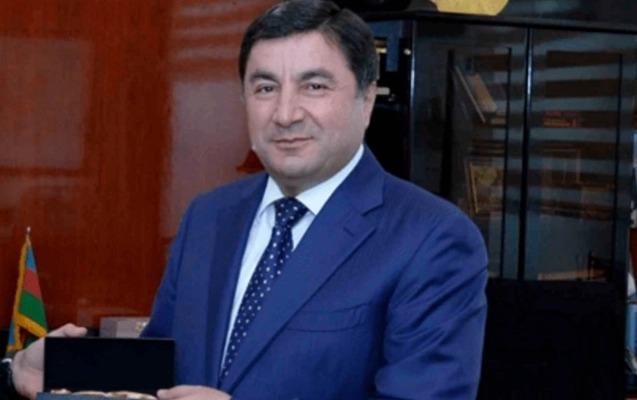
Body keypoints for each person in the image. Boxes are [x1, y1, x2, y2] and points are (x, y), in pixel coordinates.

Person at [5, 1, 488, 399]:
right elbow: (159, 371)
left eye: (314, 86)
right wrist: (57, 371)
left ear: (366, 99)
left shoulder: (432, 239)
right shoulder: (209, 216)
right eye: (265, 87)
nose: (285, 113)